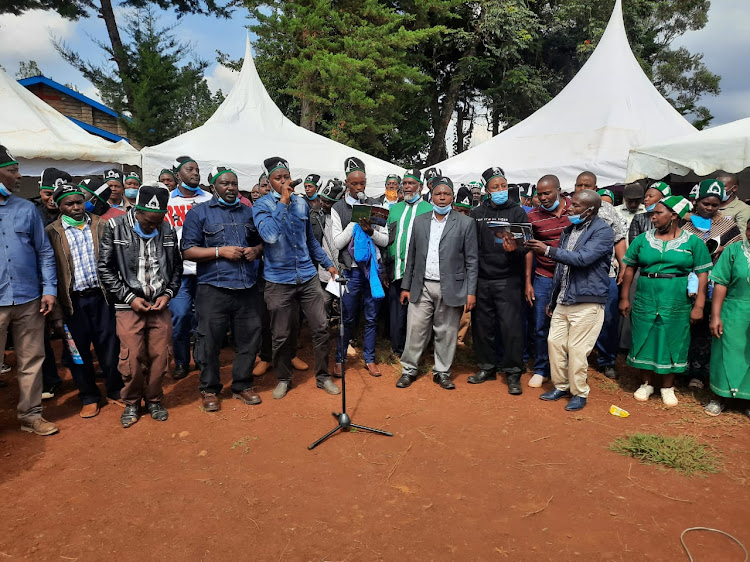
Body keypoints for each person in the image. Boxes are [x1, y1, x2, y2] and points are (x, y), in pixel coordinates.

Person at [252, 157, 340, 399]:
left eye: (286, 177)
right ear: (268, 182)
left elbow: (310, 241)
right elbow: (269, 236)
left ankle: (322, 377)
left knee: (321, 327)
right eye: (277, 178)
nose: (283, 181)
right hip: (278, 280)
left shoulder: (302, 204)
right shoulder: (260, 206)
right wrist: (283, 202)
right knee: (280, 334)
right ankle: (283, 378)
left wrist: (328, 264)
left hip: (307, 276)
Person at [98, 183, 182, 428]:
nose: (152, 227)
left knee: (160, 356)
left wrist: (167, 294)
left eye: (157, 222)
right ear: (137, 211)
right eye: (148, 222)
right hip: (128, 305)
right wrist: (129, 298)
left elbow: (176, 267)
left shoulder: (166, 229)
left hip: (159, 304)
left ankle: (154, 399)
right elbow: (105, 268)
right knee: (132, 357)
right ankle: (132, 402)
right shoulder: (114, 227)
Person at [181, 167, 264, 411]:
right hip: (213, 287)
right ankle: (209, 389)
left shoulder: (249, 212)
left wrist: (255, 251)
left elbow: (261, 243)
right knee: (209, 342)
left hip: (247, 285)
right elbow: (187, 251)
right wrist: (220, 251)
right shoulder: (198, 214)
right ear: (213, 187)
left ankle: (242, 385)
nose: (230, 188)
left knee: (249, 339)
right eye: (225, 184)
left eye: (234, 184)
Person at [619, 196, 712, 407]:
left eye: (658, 213)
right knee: (645, 335)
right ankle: (646, 383)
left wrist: (699, 305)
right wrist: (624, 297)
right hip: (645, 295)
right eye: (652, 213)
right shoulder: (643, 239)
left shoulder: (693, 242)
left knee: (674, 339)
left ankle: (667, 387)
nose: (653, 217)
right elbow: (630, 268)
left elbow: (703, 274)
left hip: (676, 298)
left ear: (674, 215)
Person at [526, 190, 614, 411]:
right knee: (554, 343)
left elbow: (583, 259)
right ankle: (561, 385)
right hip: (565, 298)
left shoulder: (602, 232)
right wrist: (554, 299)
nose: (570, 209)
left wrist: (547, 250)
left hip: (587, 300)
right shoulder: (569, 230)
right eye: (571, 205)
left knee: (576, 349)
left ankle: (579, 392)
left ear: (590, 210)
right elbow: (561, 270)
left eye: (575, 206)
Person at [45, 183, 122, 418]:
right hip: (72, 302)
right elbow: (50, 270)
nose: (77, 207)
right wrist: (56, 311)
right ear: (60, 207)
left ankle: (115, 389)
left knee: (109, 347)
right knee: (78, 352)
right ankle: (88, 396)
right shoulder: (52, 232)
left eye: (79, 202)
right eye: (70, 204)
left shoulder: (101, 225)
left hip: (102, 298)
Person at [395, 177, 478, 390]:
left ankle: (442, 372)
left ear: (452, 197)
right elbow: (411, 257)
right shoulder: (421, 221)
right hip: (421, 286)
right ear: (431, 196)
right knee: (415, 329)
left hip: (451, 286)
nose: (442, 197)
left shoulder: (465, 223)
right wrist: (405, 286)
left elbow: (471, 260)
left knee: (447, 332)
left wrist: (471, 292)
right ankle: (409, 370)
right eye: (439, 194)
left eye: (447, 194)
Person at [0, 146, 59, 435]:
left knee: (31, 360)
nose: (19, 176)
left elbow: (45, 252)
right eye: (12, 171)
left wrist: (49, 289)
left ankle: (31, 415)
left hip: (29, 299)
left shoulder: (25, 209)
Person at [468, 166, 529, 395]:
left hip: (508, 279)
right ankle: (487, 367)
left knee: (510, 327)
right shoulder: (476, 213)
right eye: (496, 187)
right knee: (483, 327)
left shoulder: (517, 212)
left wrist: (516, 247)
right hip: (482, 279)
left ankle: (513, 372)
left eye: (503, 186)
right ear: (486, 190)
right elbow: (471, 247)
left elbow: (526, 246)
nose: (501, 190)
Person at [682, 179, 743, 388]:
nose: (709, 208)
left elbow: (736, 251)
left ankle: (698, 373)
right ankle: (679, 368)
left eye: (714, 205)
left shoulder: (728, 225)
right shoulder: (684, 222)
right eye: (705, 204)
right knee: (684, 324)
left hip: (712, 282)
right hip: (684, 281)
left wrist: (719, 250)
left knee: (703, 328)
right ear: (696, 201)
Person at [330, 157, 388, 376]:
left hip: (373, 269)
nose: (359, 187)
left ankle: (370, 359)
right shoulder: (338, 208)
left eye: (362, 183)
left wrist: (372, 231)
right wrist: (356, 220)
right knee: (348, 316)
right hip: (352, 271)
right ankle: (340, 358)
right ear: (347, 183)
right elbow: (337, 243)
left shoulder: (377, 204)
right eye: (354, 184)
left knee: (372, 316)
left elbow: (385, 240)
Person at [164, 156, 213, 380]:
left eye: (197, 169)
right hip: (179, 272)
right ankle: (182, 361)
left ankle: (203, 360)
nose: (195, 173)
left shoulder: (210, 199)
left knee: (205, 318)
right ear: (177, 175)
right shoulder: (167, 201)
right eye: (189, 169)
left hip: (207, 268)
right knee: (181, 316)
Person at [575, 171, 626, 379]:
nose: (583, 189)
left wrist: (623, 266)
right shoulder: (571, 208)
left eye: (587, 185)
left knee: (608, 319)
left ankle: (607, 360)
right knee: (577, 319)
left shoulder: (608, 211)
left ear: (595, 188)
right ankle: (578, 359)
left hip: (606, 274)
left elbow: (619, 239)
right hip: (576, 275)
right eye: (579, 185)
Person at [525, 175, 572, 387]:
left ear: (559, 191)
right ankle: (542, 368)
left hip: (573, 278)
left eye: (547, 193)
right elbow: (528, 249)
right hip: (544, 276)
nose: (543, 197)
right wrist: (528, 281)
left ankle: (566, 369)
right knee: (540, 324)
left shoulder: (576, 210)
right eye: (539, 194)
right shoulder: (533, 216)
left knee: (570, 326)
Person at [705, 217, 750, 417]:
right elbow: (721, 283)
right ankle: (720, 397)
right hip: (733, 310)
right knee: (725, 353)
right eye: (749, 229)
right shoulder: (733, 251)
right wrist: (715, 315)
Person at [386, 169, 433, 356]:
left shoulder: (429, 209)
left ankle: (416, 350)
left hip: (419, 273)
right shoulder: (394, 209)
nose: (406, 186)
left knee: (417, 314)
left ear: (420, 187)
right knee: (397, 312)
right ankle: (397, 350)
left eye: (411, 183)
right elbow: (387, 238)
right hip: (396, 270)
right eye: (404, 183)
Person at [311, 178, 346, 319]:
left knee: (344, 303)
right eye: (322, 200)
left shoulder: (344, 216)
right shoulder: (315, 215)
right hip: (323, 267)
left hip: (342, 265)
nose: (323, 204)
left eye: (328, 202)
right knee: (324, 301)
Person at [716, 172, 750, 241]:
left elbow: (742, 237)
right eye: (716, 186)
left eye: (723, 186)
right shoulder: (710, 205)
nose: (718, 190)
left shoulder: (743, 209)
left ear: (734, 188)